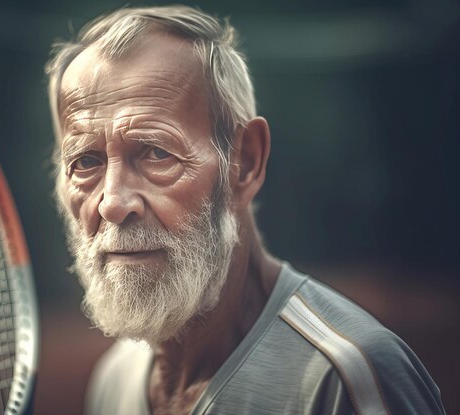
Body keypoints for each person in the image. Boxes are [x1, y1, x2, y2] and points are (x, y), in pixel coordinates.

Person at [45, 5, 445, 415]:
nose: (112, 203)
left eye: (156, 153)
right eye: (86, 162)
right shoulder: (115, 381)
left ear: (245, 161)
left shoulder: (342, 382)